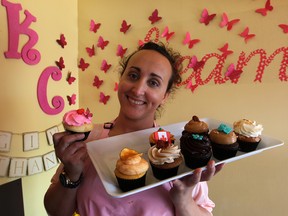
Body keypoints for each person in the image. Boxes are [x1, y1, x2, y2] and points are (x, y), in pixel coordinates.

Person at [44, 41, 224, 216]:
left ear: (164, 96)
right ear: (121, 79)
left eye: (153, 83)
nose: (138, 90)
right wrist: (72, 174)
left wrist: (183, 197)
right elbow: (55, 211)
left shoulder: (178, 151)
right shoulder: (88, 140)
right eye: (133, 76)